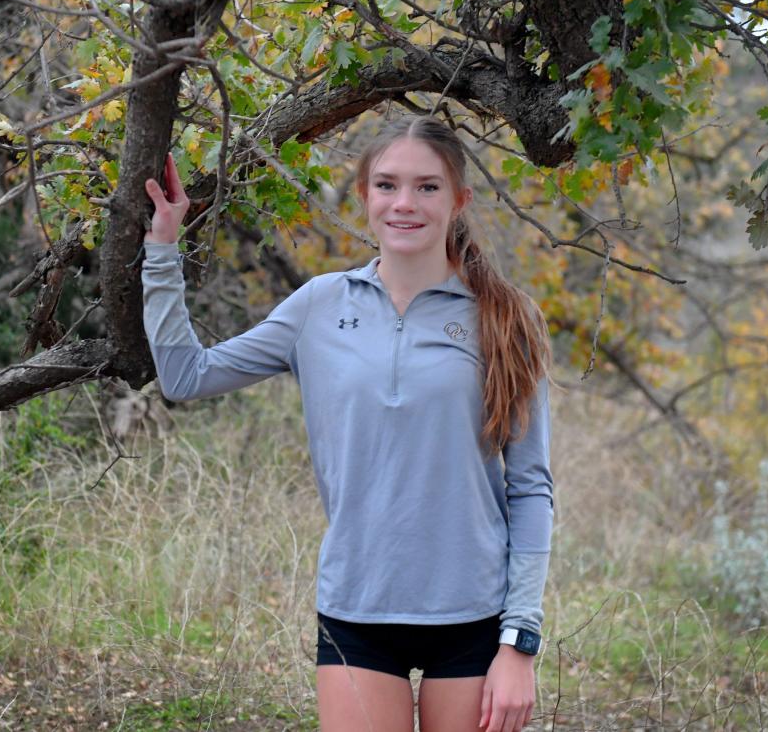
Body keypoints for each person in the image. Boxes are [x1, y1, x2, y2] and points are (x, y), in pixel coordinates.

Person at [141, 115, 554, 732]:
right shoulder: (318, 306)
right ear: (363, 195)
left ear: (460, 199)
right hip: (356, 608)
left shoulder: (505, 317)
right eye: (386, 185)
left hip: (475, 615)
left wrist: (518, 642)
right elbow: (185, 376)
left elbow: (530, 489)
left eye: (428, 187)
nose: (404, 203)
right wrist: (162, 250)